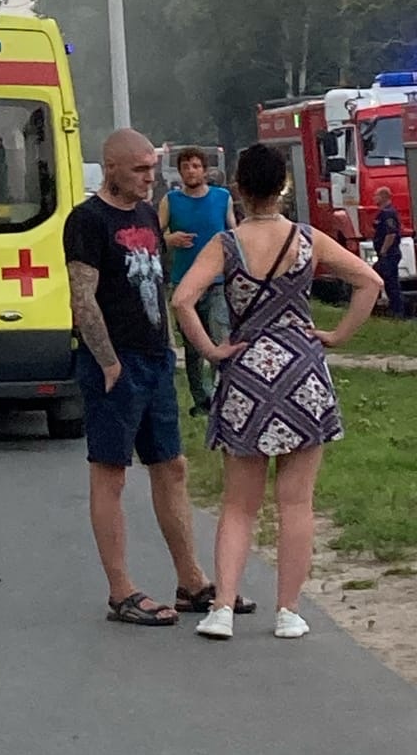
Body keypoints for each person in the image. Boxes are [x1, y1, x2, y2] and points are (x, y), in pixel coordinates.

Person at [173, 141, 381, 640]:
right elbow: (369, 281)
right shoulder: (307, 240)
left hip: (247, 375)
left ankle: (221, 607)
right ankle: (288, 611)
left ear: (239, 189)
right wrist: (335, 336)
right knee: (296, 504)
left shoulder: (226, 245)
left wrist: (211, 351)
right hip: (302, 375)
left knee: (238, 504)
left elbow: (183, 299)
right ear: (284, 186)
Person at [64, 128, 232, 627]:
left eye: (152, 170)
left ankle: (192, 581)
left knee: (172, 465)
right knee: (110, 472)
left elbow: (155, 284)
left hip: (156, 357)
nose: (149, 179)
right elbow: (82, 296)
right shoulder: (87, 221)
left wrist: (170, 345)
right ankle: (121, 591)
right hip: (115, 364)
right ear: (110, 167)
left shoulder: (144, 214)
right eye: (140, 170)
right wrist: (108, 361)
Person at [161, 145, 237, 415]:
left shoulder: (222, 197)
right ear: (180, 172)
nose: (191, 171)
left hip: (217, 282)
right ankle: (201, 400)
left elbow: (234, 233)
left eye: (195, 166)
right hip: (184, 283)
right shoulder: (171, 200)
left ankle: (223, 396)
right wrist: (170, 239)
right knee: (193, 349)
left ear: (205, 171)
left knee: (220, 338)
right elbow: (154, 237)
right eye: (185, 167)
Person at [372, 185, 405, 321]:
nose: (374, 198)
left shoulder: (388, 213)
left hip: (389, 254)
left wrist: (383, 251)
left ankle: (397, 312)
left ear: (383, 197)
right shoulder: (384, 212)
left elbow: (391, 234)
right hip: (388, 254)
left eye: (376, 195)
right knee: (384, 281)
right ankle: (393, 310)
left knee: (389, 283)